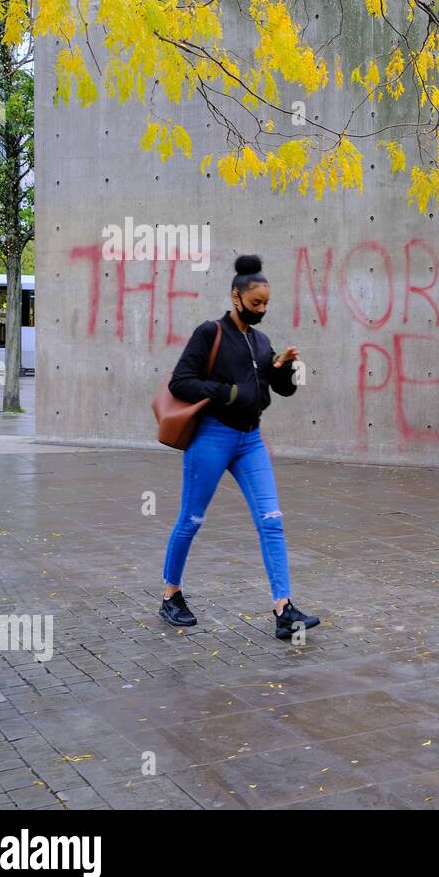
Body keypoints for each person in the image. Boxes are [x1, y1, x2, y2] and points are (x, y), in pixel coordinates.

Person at [159, 255, 321, 640]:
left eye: (266, 304)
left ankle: (283, 609)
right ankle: (171, 594)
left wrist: (282, 368)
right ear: (236, 297)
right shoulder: (209, 332)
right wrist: (224, 392)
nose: (262, 310)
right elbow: (181, 381)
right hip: (212, 436)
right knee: (191, 519)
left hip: (251, 440)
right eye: (255, 304)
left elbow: (278, 390)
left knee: (272, 520)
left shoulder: (261, 341)